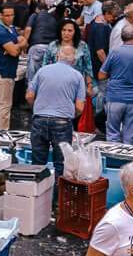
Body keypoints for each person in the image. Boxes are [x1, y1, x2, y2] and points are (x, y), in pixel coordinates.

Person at [24, 44, 89, 178]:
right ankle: (58, 191)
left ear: (57, 56)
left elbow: (29, 96)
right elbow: (79, 107)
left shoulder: (42, 71)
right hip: (62, 122)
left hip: (39, 119)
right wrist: (70, 115)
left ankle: (38, 190)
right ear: (74, 60)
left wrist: (37, 108)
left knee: (37, 165)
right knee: (61, 165)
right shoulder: (77, 76)